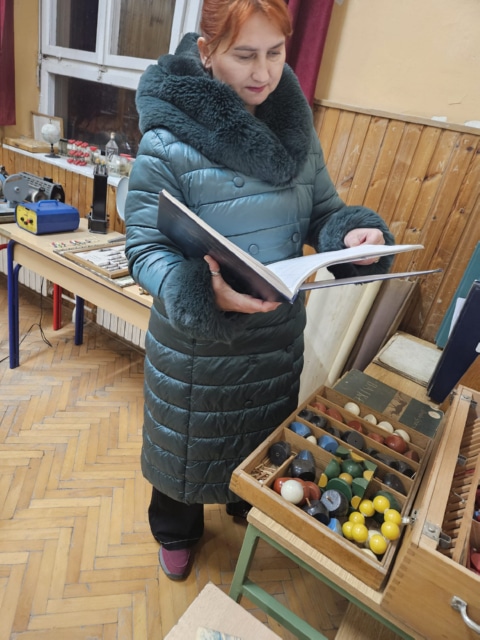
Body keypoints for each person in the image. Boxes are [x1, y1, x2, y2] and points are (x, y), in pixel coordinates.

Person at [124, 0, 394, 581]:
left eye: (275, 53)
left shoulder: (295, 131)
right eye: (245, 55)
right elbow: (144, 248)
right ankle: (176, 529)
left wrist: (351, 234)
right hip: (199, 347)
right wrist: (203, 293)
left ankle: (244, 499)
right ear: (206, 52)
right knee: (183, 448)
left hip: (274, 338)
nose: (264, 72)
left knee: (258, 441)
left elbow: (324, 210)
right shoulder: (167, 140)